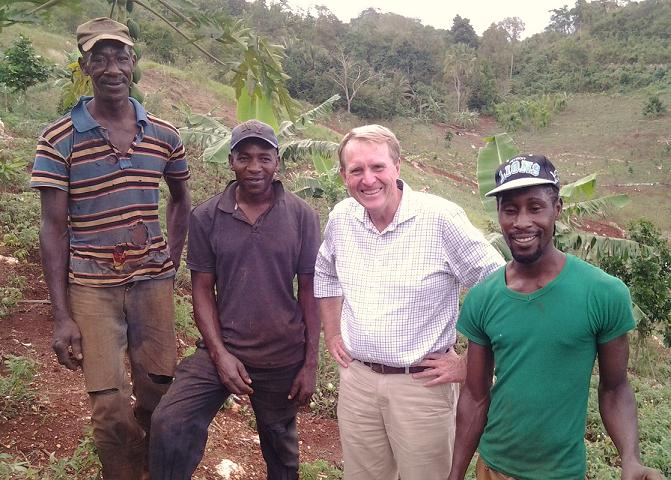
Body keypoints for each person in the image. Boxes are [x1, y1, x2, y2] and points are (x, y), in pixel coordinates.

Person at [30, 17, 191, 479]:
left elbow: (181, 199)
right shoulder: (58, 139)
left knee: (159, 389)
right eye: (99, 59)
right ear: (85, 67)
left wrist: (170, 260)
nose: (112, 69)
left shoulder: (164, 135)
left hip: (152, 284)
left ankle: (152, 467)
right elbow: (53, 228)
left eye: (121, 57)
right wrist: (62, 316)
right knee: (108, 404)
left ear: (133, 62)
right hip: (91, 288)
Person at [448, 154, 664, 480]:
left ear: (557, 209)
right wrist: (455, 474)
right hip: (492, 469)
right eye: (510, 210)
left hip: (562, 473)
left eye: (535, 207)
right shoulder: (483, 297)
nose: (521, 222)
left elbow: (615, 388)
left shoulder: (602, 293)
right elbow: (475, 396)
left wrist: (630, 459)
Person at [314, 124, 505, 480]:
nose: (368, 179)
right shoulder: (342, 218)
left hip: (421, 387)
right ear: (343, 176)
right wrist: (333, 333)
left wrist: (469, 364)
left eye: (378, 167)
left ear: (397, 167)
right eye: (356, 170)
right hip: (358, 382)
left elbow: (500, 287)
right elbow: (325, 272)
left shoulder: (440, 219)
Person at [149, 119, 321, 479]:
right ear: (231, 161)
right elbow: (201, 290)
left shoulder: (302, 216)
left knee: (281, 451)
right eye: (245, 158)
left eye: (264, 158)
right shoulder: (207, 216)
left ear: (277, 162)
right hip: (223, 348)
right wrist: (220, 355)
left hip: (281, 355)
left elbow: (309, 291)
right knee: (170, 421)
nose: (254, 167)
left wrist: (309, 364)